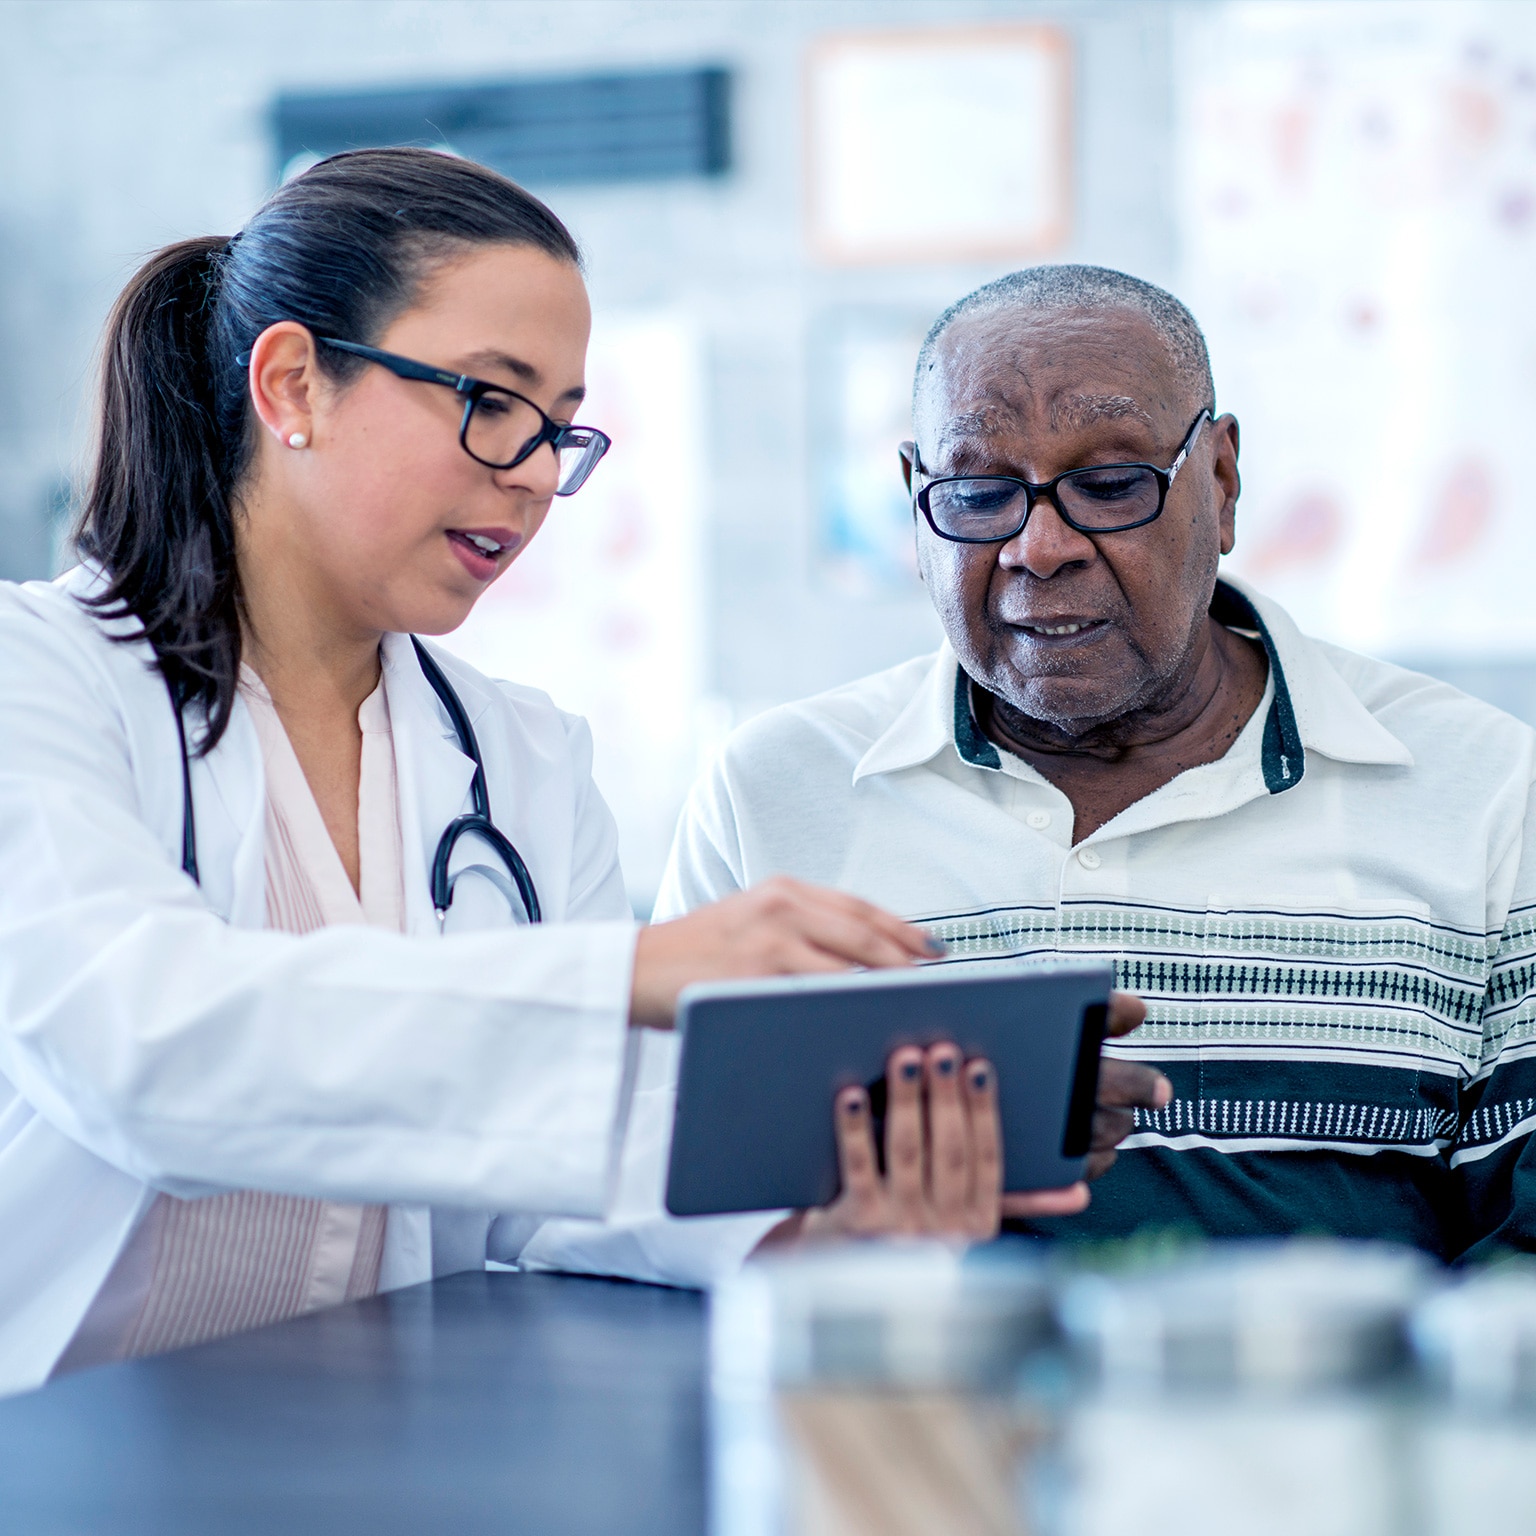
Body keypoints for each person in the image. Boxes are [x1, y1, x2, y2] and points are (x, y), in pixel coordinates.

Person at [0, 150, 1114, 1398]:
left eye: (558, 428)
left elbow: (568, 1169)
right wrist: (629, 975)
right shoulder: (37, 680)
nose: (534, 474)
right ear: (293, 381)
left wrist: (827, 1213)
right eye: (489, 400)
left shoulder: (520, 758)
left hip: (371, 1449)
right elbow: (142, 1050)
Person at [648, 263, 1536, 1263]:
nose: (1039, 546)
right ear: (915, 500)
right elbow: (656, 1210)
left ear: (1224, 482)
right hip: (906, 1412)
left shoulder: (1487, 790)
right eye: (980, 493)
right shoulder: (774, 793)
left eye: (1111, 485)